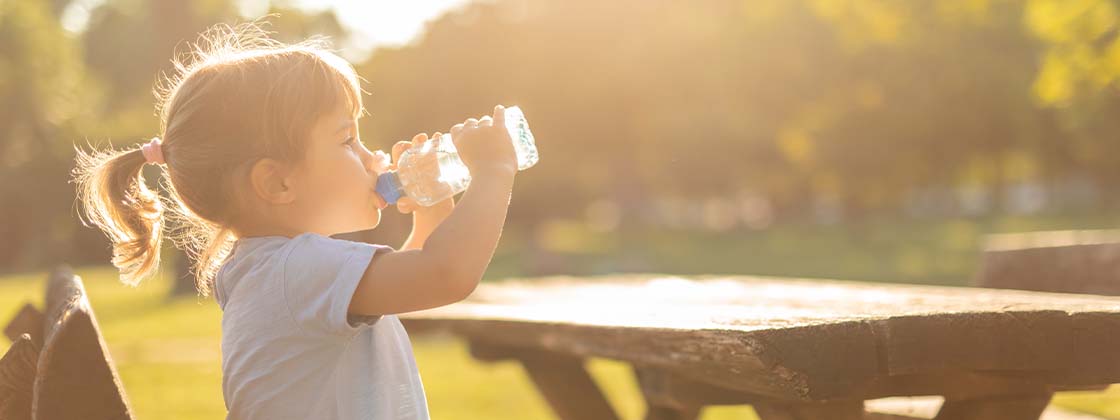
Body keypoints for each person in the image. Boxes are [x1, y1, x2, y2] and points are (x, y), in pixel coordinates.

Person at [71, 21, 518, 420]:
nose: (369, 156)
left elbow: (419, 277)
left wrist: (432, 202)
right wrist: (494, 171)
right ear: (277, 183)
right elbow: (445, 274)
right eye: (347, 140)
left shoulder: (274, 269)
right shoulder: (296, 269)